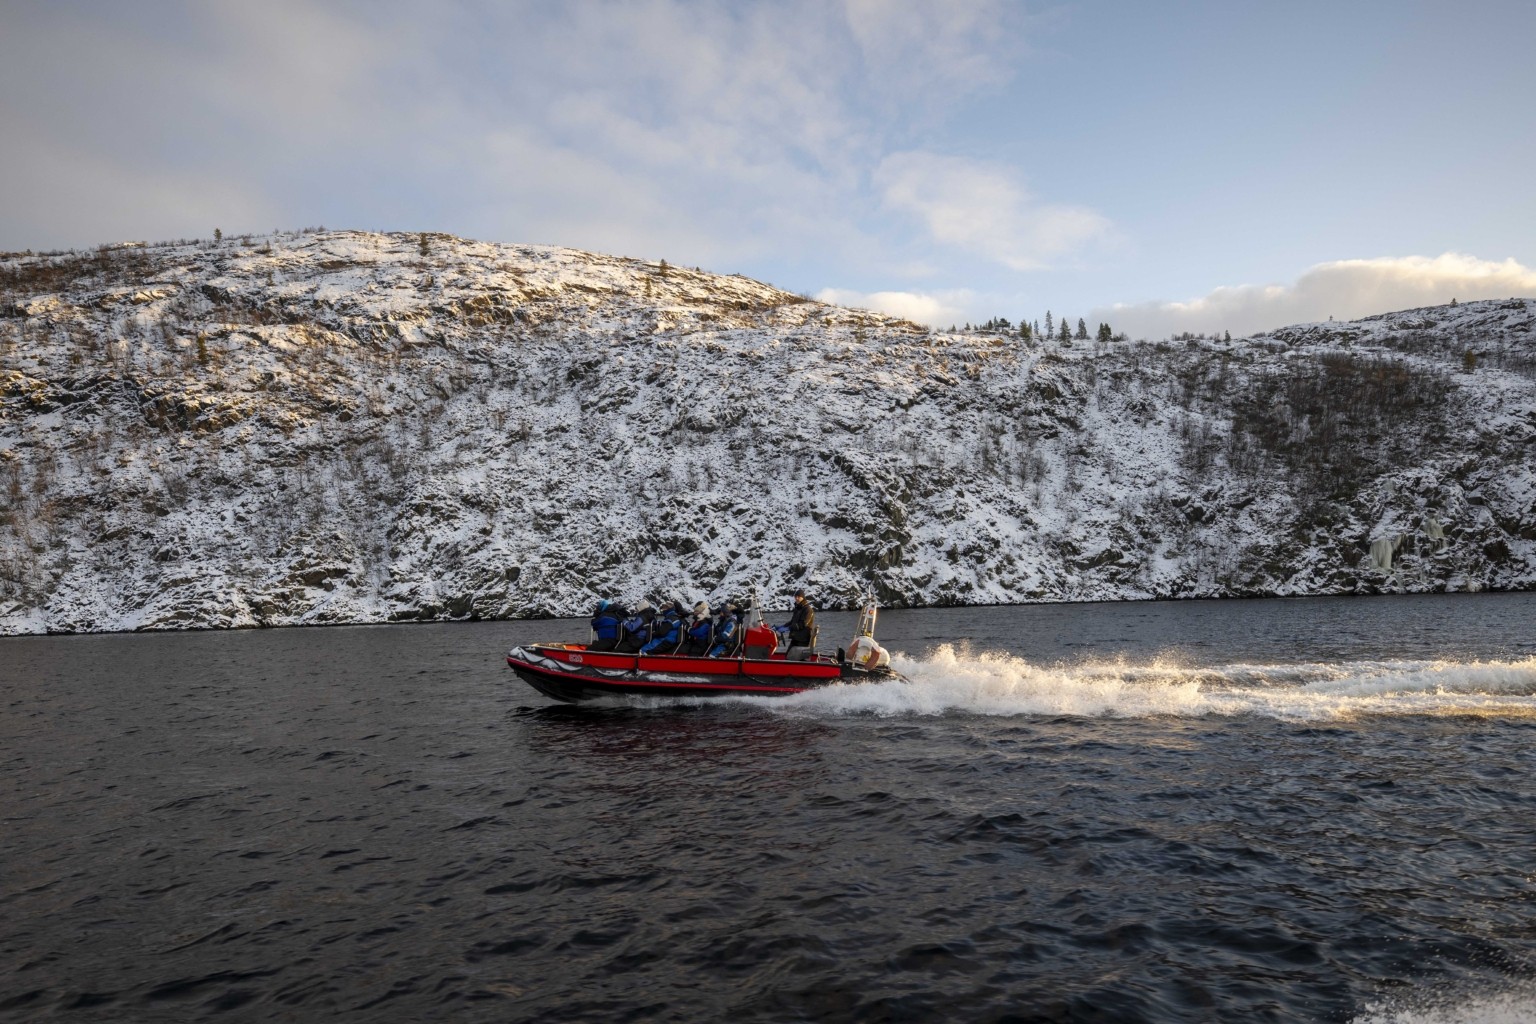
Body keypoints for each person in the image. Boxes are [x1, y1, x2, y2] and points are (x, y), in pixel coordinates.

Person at [779, 589, 817, 660]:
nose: (796, 598)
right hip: (796, 637)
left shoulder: (808, 610)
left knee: (794, 658)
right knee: (787, 656)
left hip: (803, 639)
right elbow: (792, 621)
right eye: (795, 597)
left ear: (803, 597)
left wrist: (789, 628)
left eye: (798, 597)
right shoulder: (798, 608)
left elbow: (803, 624)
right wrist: (783, 626)